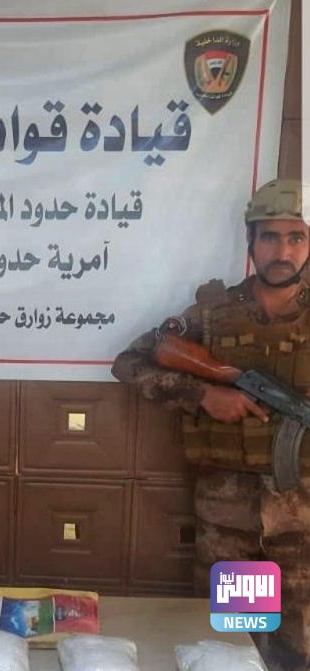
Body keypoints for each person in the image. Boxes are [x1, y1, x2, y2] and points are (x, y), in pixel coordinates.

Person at [112, 178, 310, 668]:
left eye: (296, 237)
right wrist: (204, 394)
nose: (283, 252)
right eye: (270, 237)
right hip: (231, 520)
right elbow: (131, 363)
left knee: (297, 649)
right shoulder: (214, 314)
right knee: (232, 650)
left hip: (303, 527)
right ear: (250, 241)